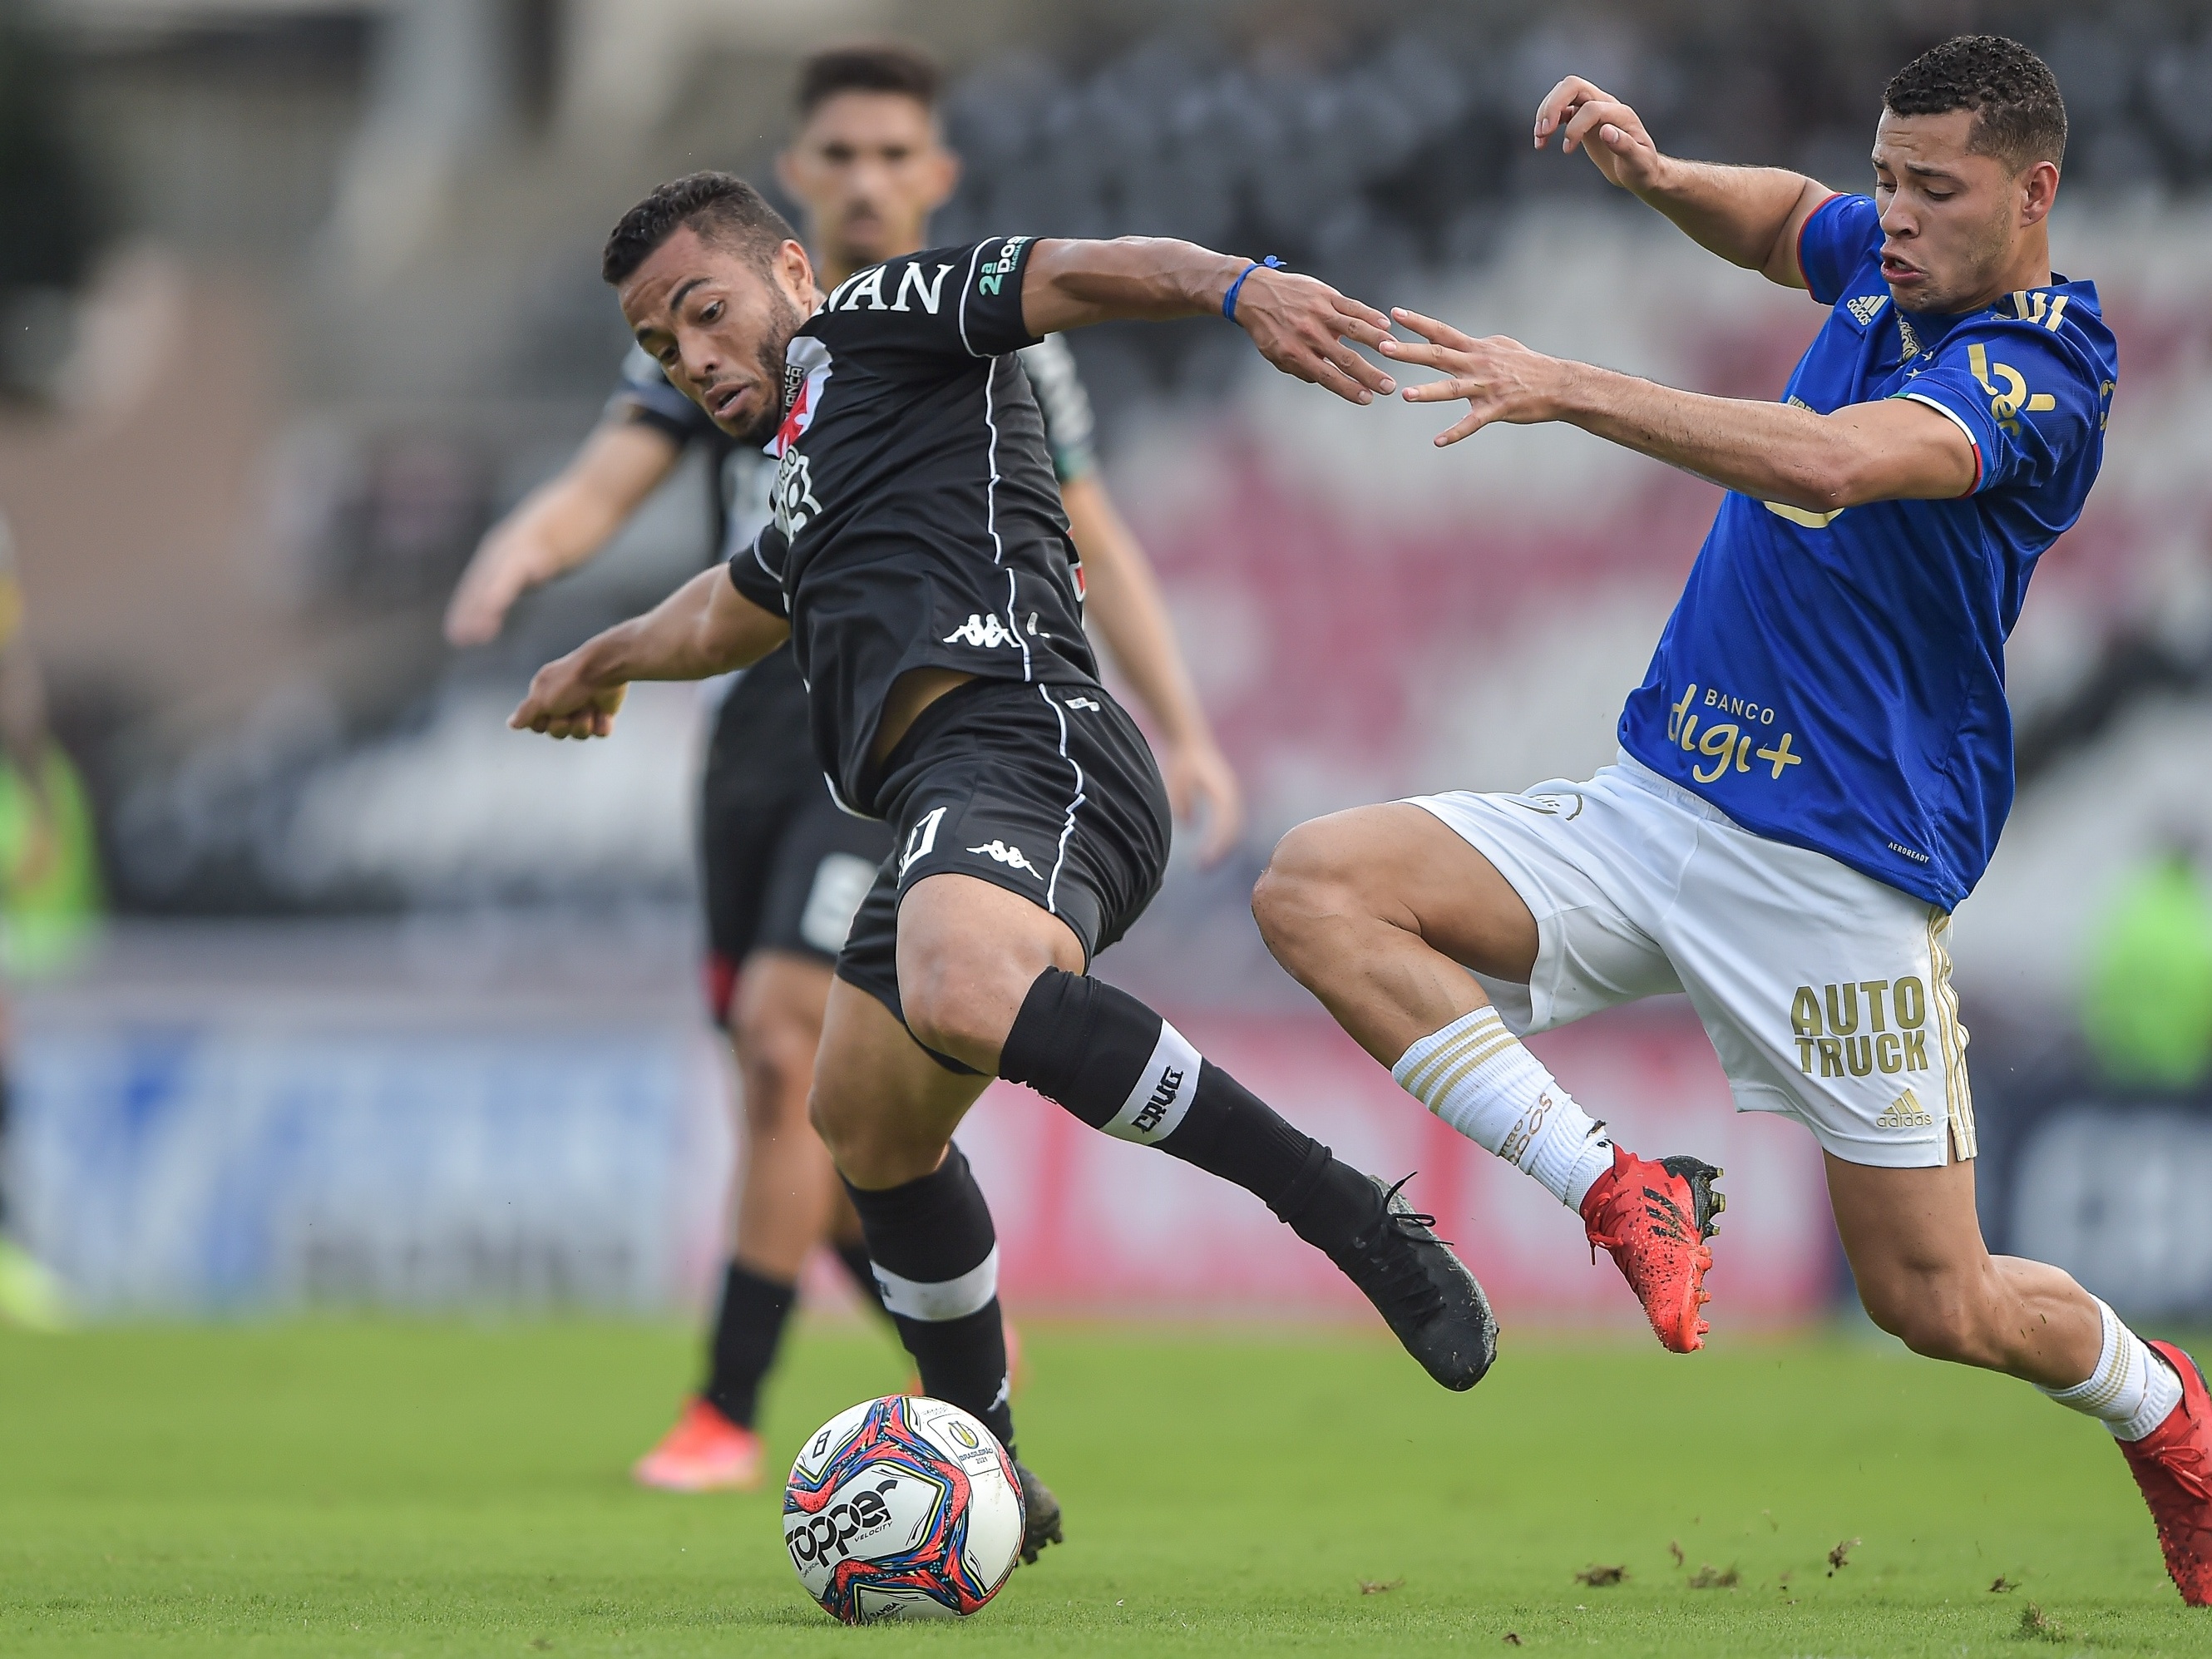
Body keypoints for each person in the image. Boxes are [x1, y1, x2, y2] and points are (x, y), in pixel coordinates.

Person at [1251, 35, 2211, 1605]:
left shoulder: (2041, 373)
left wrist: (1571, 385)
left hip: (1838, 872)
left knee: (1938, 1299)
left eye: (1933, 190)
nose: (1891, 214)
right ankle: (1618, 1187)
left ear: (2035, 196)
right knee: (1318, 890)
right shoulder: (1885, 265)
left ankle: (2170, 1418)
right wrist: (1657, 175)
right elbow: (1785, 222)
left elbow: (1833, 461)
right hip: (1652, 806)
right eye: (1888, 176)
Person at [509, 175, 1502, 1561]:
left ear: (790, 270)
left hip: (1033, 738)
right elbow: (737, 603)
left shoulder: (882, 317)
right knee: (862, 1129)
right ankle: (992, 1462)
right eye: (667, 347)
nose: (697, 358)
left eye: (708, 312)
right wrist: (602, 656)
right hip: (934, 803)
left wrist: (1238, 284)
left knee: (968, 989)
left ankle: (1348, 1213)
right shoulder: (808, 458)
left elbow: (1081, 269)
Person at [448, 46, 1244, 1494]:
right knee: (819, 1119)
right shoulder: (710, 329)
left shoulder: (977, 331)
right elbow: (612, 480)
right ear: (801, 175)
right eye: (842, 151)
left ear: (931, 176)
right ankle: (969, 1387)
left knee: (775, 1043)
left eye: (896, 153)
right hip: (755, 739)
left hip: (896, 735)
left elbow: (1089, 533)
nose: (870, 174)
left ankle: (728, 1412)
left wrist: (1180, 726)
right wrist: (534, 557)